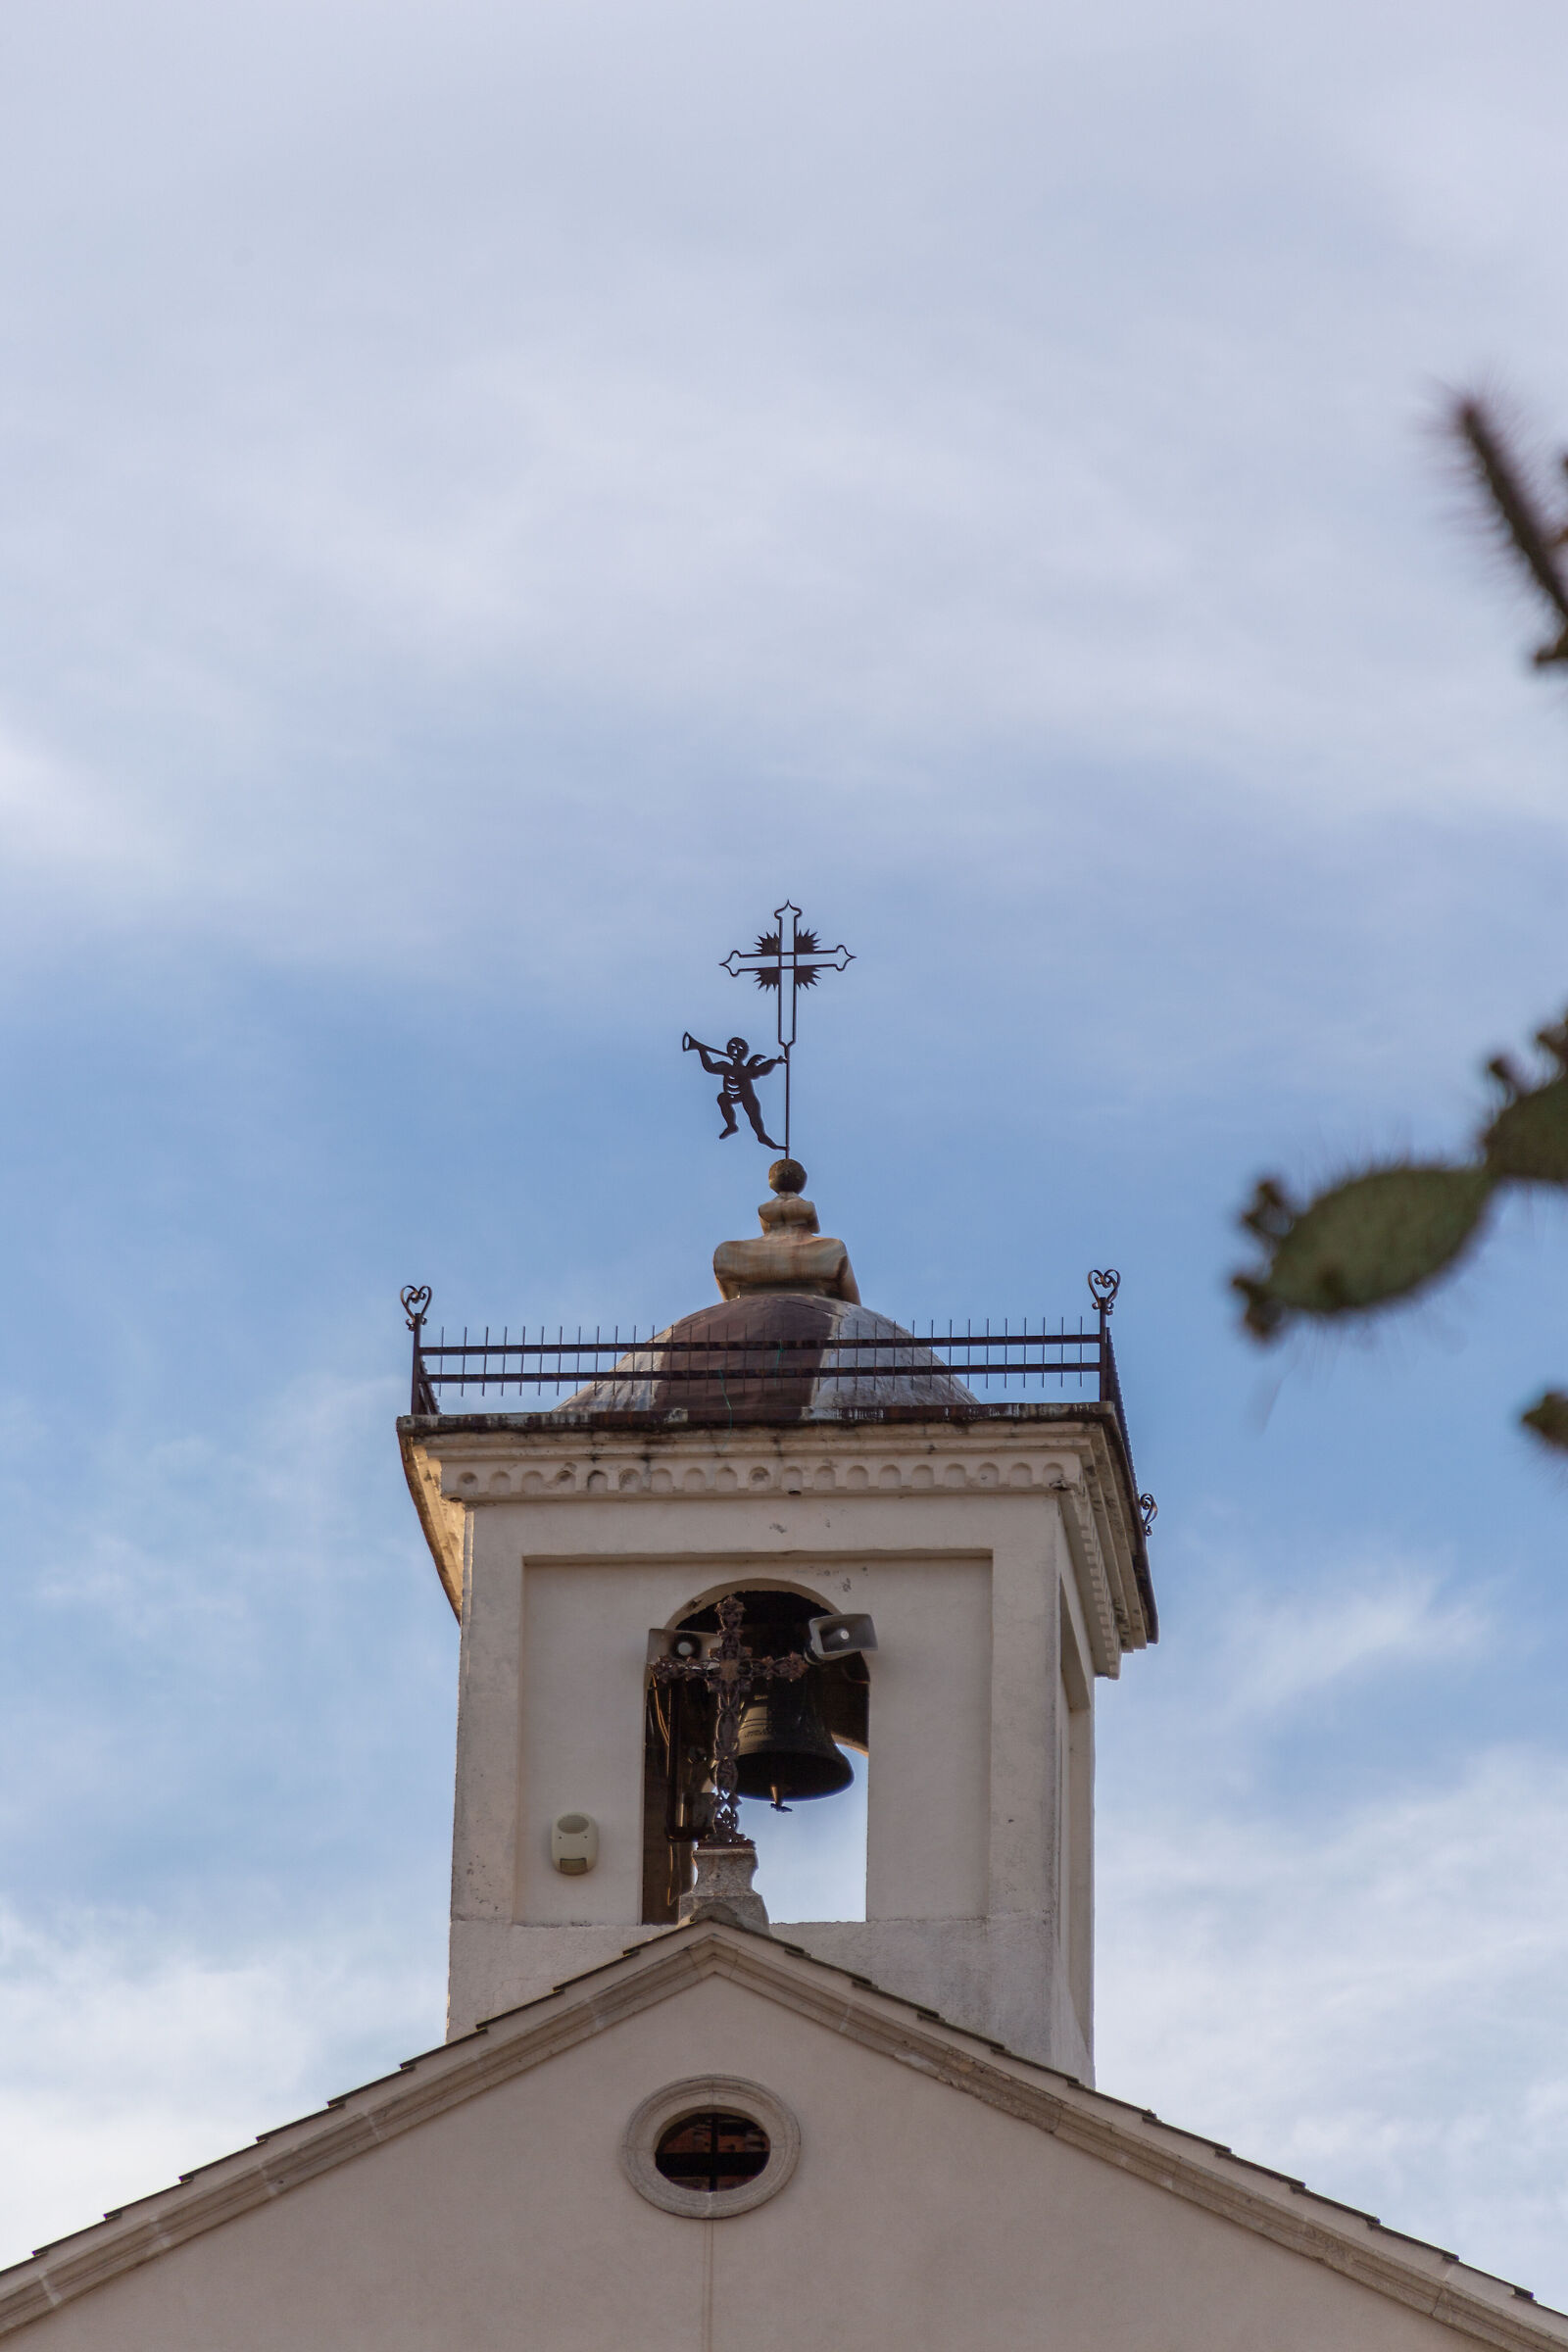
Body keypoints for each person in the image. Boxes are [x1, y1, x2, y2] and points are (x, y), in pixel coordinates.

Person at [682, 1033, 782, 1146]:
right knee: (722, 1098)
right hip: (731, 1096)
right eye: (732, 1047)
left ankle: (761, 1135)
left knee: (754, 1115)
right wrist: (702, 1051)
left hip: (746, 1095)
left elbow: (761, 1069)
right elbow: (709, 1067)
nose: (735, 1051)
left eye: (739, 1048)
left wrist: (774, 1062)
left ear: (744, 1053)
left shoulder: (746, 1070)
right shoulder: (726, 1067)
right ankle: (731, 1125)